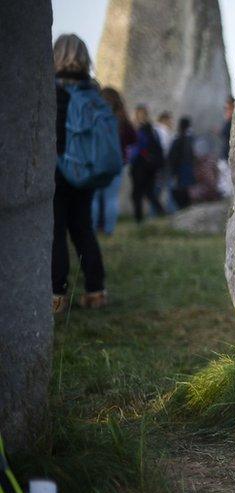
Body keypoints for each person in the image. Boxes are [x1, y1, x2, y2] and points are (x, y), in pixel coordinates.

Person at [52, 34, 107, 312]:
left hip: (56, 171)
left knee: (56, 231)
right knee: (84, 229)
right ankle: (96, 290)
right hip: (84, 172)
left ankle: (57, 296)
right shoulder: (93, 91)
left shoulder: (49, 90)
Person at [91, 87, 136, 236]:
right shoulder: (122, 118)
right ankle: (109, 230)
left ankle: (93, 229)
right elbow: (133, 138)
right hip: (117, 163)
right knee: (111, 198)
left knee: (95, 198)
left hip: (96, 161)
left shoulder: (94, 115)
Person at [130, 104, 165, 223]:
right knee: (149, 192)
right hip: (151, 165)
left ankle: (139, 218)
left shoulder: (139, 130)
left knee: (137, 193)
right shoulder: (152, 129)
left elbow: (138, 147)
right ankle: (161, 212)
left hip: (140, 165)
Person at [168, 117, 196, 209]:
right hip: (186, 167)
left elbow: (172, 157)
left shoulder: (178, 139)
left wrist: (173, 170)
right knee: (185, 189)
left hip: (180, 168)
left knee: (180, 189)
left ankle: (181, 207)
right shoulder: (189, 139)